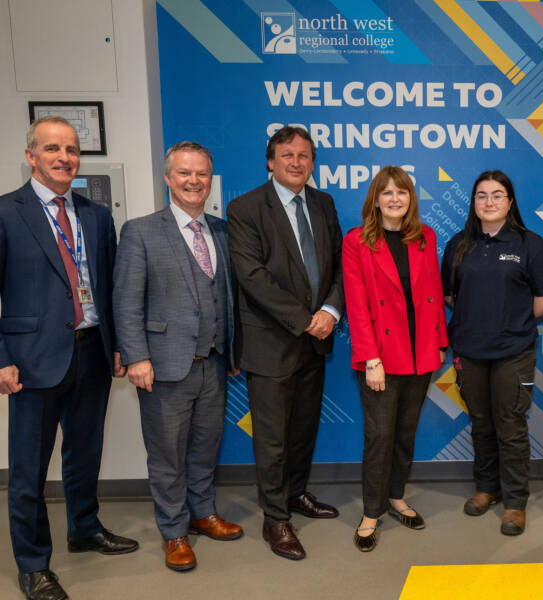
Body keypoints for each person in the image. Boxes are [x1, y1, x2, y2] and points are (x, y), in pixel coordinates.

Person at [0, 116, 138, 600]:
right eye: (53, 148)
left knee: (85, 455)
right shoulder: (5, 212)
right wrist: (1, 358)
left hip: (92, 353)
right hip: (32, 361)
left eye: (72, 149)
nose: (64, 157)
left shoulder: (95, 215)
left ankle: (84, 529)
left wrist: (119, 343)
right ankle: (34, 564)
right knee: (27, 470)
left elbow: (109, 286)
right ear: (31, 155)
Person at [113, 141, 242, 572]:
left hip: (214, 363)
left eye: (201, 174)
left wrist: (234, 350)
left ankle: (203, 514)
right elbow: (126, 301)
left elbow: (228, 297)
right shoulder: (140, 230)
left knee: (205, 448)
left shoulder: (221, 231)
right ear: (168, 178)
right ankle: (173, 531)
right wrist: (135, 357)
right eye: (184, 173)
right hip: (163, 365)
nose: (193, 181)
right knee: (167, 453)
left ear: (210, 180)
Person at [227, 126, 344, 561]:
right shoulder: (245, 208)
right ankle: (275, 519)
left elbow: (336, 267)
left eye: (304, 155)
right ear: (270, 162)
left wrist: (329, 313)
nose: (296, 162)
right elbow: (252, 277)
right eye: (287, 154)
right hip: (272, 342)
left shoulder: (324, 203)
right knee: (272, 440)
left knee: (302, 432)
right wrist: (305, 320)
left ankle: (296, 495)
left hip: (316, 341)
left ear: (312, 162)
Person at [441, 170, 543, 536]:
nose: (489, 202)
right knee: (481, 422)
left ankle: (515, 502)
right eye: (481, 196)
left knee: (510, 426)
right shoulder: (459, 244)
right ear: (473, 203)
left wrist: (511, 321)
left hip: (512, 351)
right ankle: (486, 488)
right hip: (470, 351)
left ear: (509, 202)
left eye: (497, 195)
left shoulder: (530, 244)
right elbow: (449, 296)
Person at [342, 166, 448, 552]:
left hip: (420, 354)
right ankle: (372, 511)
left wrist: (439, 340)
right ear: (376, 199)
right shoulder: (357, 242)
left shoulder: (425, 237)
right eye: (386, 193)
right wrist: (370, 358)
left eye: (401, 192)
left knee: (405, 434)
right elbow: (356, 304)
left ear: (410, 198)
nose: (394, 199)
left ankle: (397, 496)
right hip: (381, 358)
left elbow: (433, 292)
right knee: (379, 436)